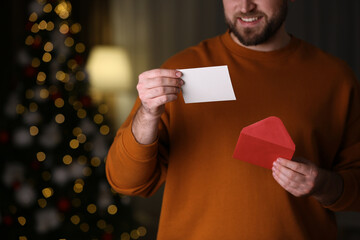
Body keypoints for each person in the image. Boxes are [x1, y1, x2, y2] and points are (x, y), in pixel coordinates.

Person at [105, 0, 360, 239]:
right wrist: (148, 114)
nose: (246, 5)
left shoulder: (336, 79)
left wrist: (324, 184)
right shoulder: (182, 70)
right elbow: (125, 181)